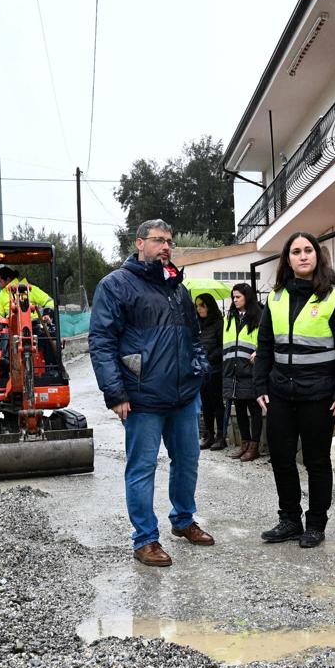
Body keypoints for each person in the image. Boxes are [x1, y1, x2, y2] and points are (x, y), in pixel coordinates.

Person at [88, 220, 215, 567]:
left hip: (184, 395)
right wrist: (115, 393)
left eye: (169, 241)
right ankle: (145, 539)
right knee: (142, 468)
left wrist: (199, 369)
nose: (166, 247)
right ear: (139, 243)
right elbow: (101, 342)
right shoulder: (115, 285)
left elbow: (194, 335)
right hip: (142, 397)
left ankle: (184, 519)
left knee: (187, 460)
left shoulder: (177, 288)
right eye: (158, 240)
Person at [253, 232, 335, 549]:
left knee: (316, 461)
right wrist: (260, 384)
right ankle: (289, 520)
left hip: (320, 394)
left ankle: (315, 524)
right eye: (295, 251)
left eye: (307, 250)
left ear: (317, 256)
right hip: (280, 392)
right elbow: (265, 345)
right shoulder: (275, 298)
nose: (302, 256)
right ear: (287, 259)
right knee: (281, 458)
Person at [222, 282, 263, 462]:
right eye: (233, 297)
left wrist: (259, 352)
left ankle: (254, 447)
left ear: (247, 297)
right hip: (233, 370)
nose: (235, 300)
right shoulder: (229, 317)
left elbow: (266, 338)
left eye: (238, 296)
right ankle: (244, 444)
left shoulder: (258, 317)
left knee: (254, 410)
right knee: (239, 409)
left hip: (251, 370)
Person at [194, 293, 227, 451]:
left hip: (215, 369)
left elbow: (223, 346)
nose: (199, 309)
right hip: (202, 371)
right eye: (197, 306)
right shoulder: (198, 325)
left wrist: (209, 358)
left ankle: (221, 436)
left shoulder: (219, 323)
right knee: (205, 404)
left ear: (209, 306)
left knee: (217, 403)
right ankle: (209, 435)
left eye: (202, 305)